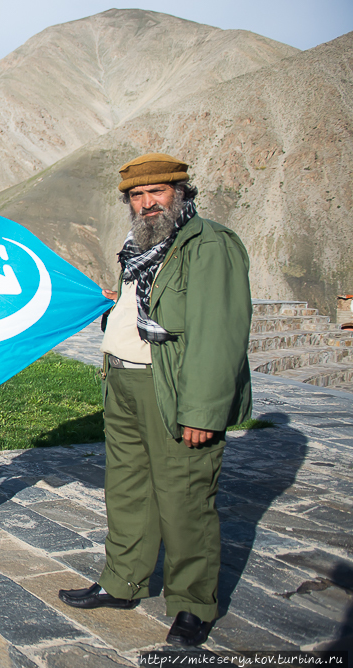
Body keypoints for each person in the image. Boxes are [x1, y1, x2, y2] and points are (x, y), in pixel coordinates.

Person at [57, 153, 252, 647]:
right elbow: (142, 307)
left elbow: (218, 334)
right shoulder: (140, 247)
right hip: (122, 382)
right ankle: (122, 581)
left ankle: (193, 604)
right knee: (127, 490)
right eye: (137, 196)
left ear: (180, 193)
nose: (147, 203)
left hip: (172, 387)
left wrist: (203, 412)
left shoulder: (209, 245)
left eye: (157, 192)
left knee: (185, 498)